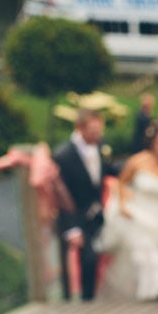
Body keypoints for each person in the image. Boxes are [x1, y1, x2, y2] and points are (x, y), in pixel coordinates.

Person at [95, 121, 158, 302]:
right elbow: (121, 183)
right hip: (142, 216)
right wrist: (123, 205)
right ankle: (151, 289)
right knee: (146, 251)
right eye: (157, 144)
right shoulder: (137, 161)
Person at [53, 109, 118, 302]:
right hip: (78, 217)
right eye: (93, 130)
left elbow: (108, 170)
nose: (98, 135)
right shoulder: (64, 156)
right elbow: (61, 197)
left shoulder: (100, 147)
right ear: (80, 128)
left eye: (100, 130)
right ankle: (86, 302)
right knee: (88, 259)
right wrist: (72, 229)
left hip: (99, 213)